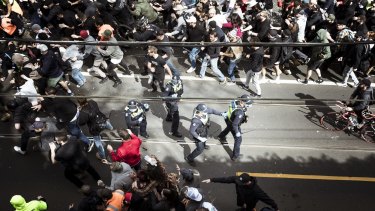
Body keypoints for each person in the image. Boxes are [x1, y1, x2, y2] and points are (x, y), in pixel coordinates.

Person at [202, 173, 280, 211]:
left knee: (249, 208)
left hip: (250, 202)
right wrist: (212, 180)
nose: (237, 183)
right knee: (240, 205)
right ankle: (242, 207)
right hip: (240, 198)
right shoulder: (238, 179)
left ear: (247, 182)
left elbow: (266, 198)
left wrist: (276, 208)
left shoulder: (256, 190)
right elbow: (226, 179)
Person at [217, 94, 253, 161]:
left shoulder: (234, 101)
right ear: (242, 102)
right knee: (238, 140)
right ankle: (235, 156)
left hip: (228, 119)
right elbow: (235, 125)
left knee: (228, 128)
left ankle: (221, 136)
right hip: (234, 123)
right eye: (247, 103)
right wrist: (237, 132)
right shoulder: (239, 112)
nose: (248, 105)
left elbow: (233, 112)